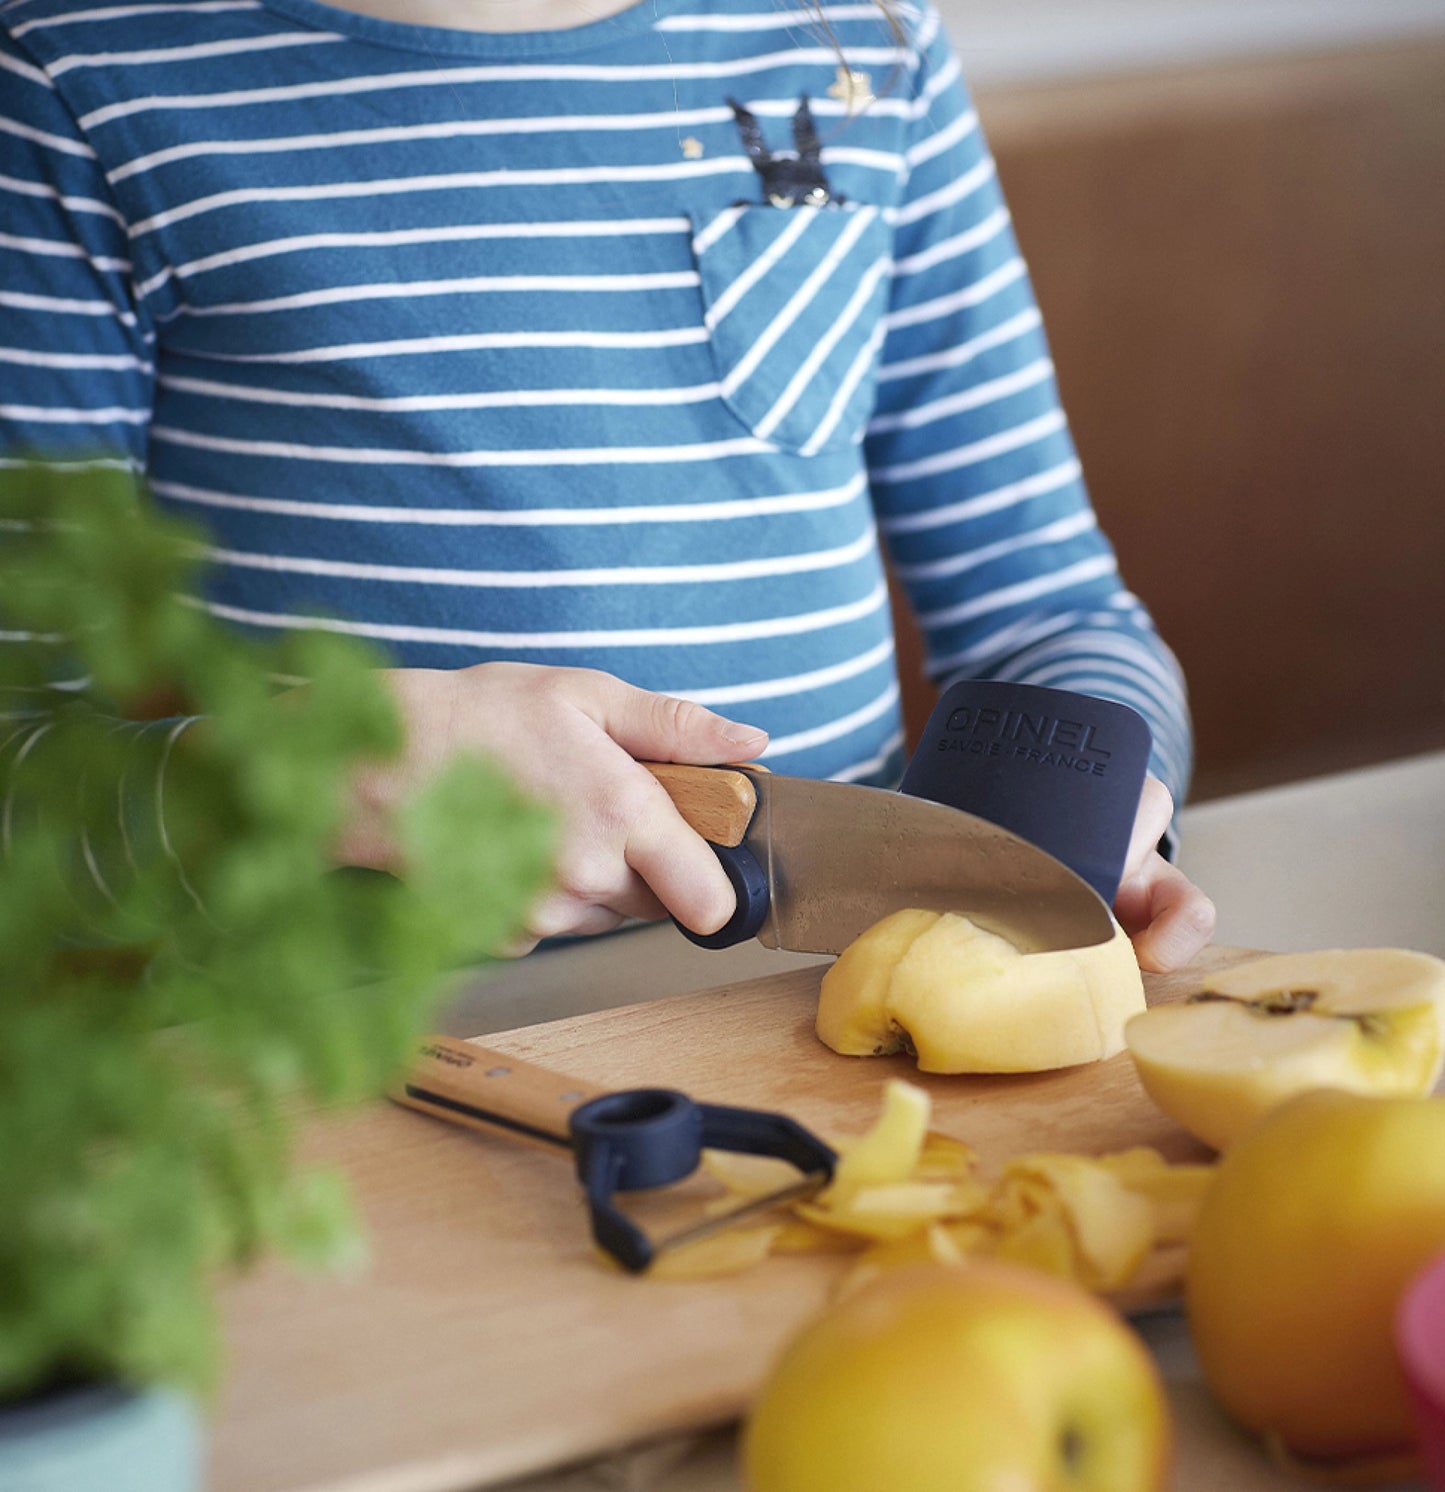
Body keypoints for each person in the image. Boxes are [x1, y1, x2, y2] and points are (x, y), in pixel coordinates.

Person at [0, 0, 1214, 969]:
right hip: (341, 1068)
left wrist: (1101, 792)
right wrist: (313, 774)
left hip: (820, 1009)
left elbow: (1051, 616)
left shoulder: (863, 44)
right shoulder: (70, 67)